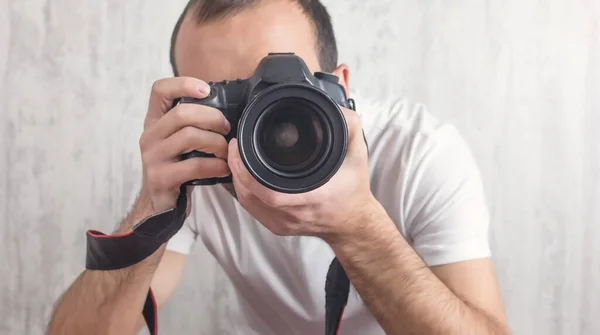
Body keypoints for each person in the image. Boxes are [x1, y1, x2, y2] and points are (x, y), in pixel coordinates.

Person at [47, 0, 511, 334]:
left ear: (341, 87)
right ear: (186, 108)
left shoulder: (420, 153)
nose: (262, 124)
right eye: (228, 100)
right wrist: (153, 205)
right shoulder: (199, 165)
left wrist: (357, 226)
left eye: (282, 92)